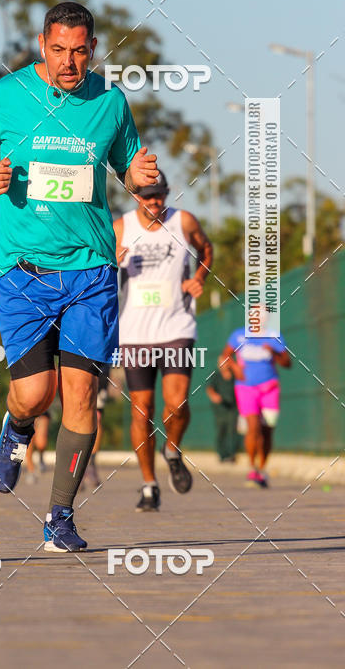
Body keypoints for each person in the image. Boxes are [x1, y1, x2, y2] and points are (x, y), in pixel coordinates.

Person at [0, 1, 158, 552]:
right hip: (24, 271)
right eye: (59, 50)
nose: (69, 62)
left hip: (91, 269)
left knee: (81, 395)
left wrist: (142, 178)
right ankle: (16, 429)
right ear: (43, 44)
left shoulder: (111, 102)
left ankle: (60, 517)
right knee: (33, 395)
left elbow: (132, 168)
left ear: (93, 49)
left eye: (80, 51)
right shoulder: (9, 95)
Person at [114, 170, 213, 511]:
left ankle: (172, 449)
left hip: (176, 328)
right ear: (135, 196)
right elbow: (97, 267)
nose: (154, 201)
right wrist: (112, 261)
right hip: (135, 334)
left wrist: (198, 277)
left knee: (178, 403)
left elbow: (206, 248)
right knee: (142, 411)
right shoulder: (121, 228)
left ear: (168, 193)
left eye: (159, 195)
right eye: (147, 196)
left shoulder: (183, 221)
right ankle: (148, 484)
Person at [218, 315, 291, 487]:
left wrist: (273, 352)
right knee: (253, 426)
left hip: (269, 388)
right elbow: (225, 357)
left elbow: (287, 363)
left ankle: (262, 468)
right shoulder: (239, 335)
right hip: (245, 388)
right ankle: (252, 468)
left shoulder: (274, 336)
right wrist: (234, 369)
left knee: (267, 430)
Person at [206, 368, 240, 462]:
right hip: (220, 409)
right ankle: (222, 455)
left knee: (233, 430)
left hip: (233, 407)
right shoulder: (216, 376)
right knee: (221, 430)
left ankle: (232, 454)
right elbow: (209, 388)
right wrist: (214, 396)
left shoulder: (235, 375)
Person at [24, 412, 51, 483]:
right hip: (26, 412)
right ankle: (31, 470)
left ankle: (41, 457)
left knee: (41, 444)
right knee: (28, 440)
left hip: (42, 411)